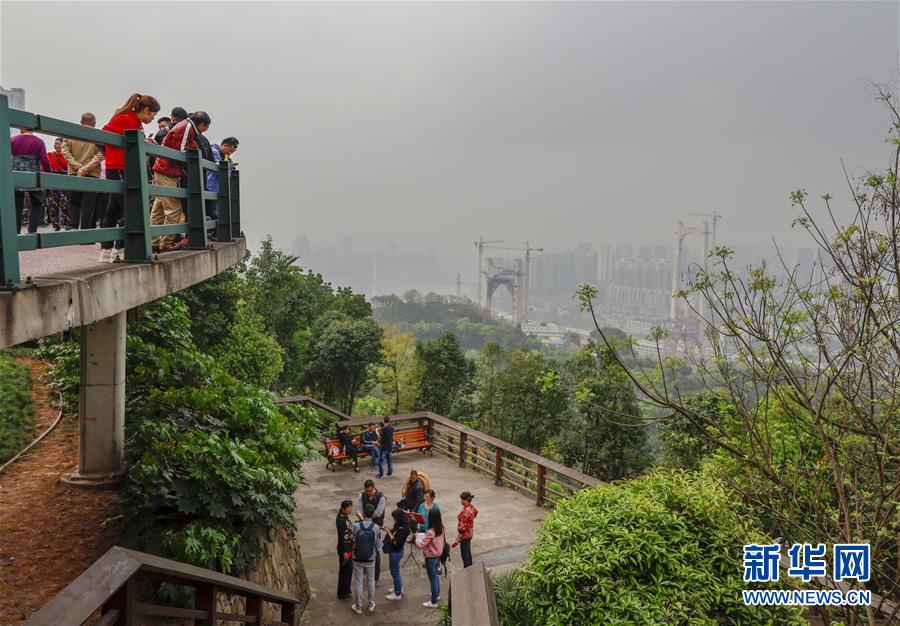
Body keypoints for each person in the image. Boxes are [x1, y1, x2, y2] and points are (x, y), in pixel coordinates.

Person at [99, 93, 160, 262]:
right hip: (119, 168)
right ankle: (119, 249)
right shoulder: (125, 119)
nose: (154, 118)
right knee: (130, 209)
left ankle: (107, 251)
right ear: (147, 110)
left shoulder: (134, 122)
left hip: (124, 168)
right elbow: (102, 136)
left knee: (114, 210)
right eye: (153, 114)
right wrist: (111, 156)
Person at [150, 110, 210, 252]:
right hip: (167, 170)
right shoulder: (188, 126)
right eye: (206, 128)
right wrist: (194, 147)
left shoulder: (185, 126)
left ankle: (153, 242)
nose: (204, 131)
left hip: (162, 169)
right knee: (174, 209)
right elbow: (181, 150)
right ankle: (165, 243)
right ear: (202, 124)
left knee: (158, 208)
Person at [61, 112, 104, 229]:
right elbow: (100, 155)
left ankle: (74, 228)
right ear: (94, 123)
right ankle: (86, 232)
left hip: (73, 172)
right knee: (88, 205)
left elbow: (65, 152)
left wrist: (77, 166)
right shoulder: (98, 135)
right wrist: (86, 168)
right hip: (92, 173)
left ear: (80, 122)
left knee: (74, 203)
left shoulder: (70, 134)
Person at [10, 128, 50, 234]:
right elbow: (45, 159)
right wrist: (48, 173)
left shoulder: (12, 140)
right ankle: (32, 231)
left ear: (20, 129)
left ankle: (16, 232)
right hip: (34, 175)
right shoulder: (39, 141)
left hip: (17, 174)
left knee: (17, 205)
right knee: (37, 203)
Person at [351, 503, 381, 615]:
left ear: (363, 513)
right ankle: (371, 604)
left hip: (357, 558)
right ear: (373, 514)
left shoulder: (357, 526)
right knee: (371, 581)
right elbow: (377, 542)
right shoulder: (376, 527)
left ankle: (358, 606)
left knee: (358, 582)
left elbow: (353, 538)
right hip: (371, 558)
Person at [355, 479, 386, 586]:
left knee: (376, 552)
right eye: (366, 490)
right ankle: (363, 573)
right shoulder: (362, 495)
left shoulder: (381, 497)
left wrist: (366, 516)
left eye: (369, 490)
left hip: (375, 527)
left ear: (374, 487)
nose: (367, 493)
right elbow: (358, 508)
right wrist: (361, 516)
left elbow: (378, 513)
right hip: (363, 525)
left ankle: (376, 577)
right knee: (362, 548)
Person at [415, 507, 446, 608]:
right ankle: (436, 595)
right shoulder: (441, 527)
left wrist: (416, 538)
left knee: (432, 578)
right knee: (435, 577)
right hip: (438, 555)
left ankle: (433, 602)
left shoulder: (430, 532)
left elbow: (420, 544)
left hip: (430, 557)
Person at [382, 508, 410, 601]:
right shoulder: (401, 525)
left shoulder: (402, 530)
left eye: (394, 518)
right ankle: (398, 587)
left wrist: (388, 532)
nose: (393, 519)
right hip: (397, 551)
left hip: (396, 552)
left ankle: (397, 593)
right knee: (395, 571)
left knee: (395, 572)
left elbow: (395, 542)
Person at [45, 138, 70, 230]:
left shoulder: (67, 156)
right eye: (55, 143)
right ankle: (56, 224)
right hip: (53, 182)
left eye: (59, 144)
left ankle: (67, 223)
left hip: (64, 182)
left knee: (65, 204)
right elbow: (44, 168)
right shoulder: (49, 155)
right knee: (53, 205)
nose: (57, 145)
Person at [452, 491, 478, 568]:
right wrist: (470, 522)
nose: (461, 501)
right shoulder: (472, 507)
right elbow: (476, 512)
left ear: (466, 500)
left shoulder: (464, 513)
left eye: (462, 500)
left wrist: (457, 538)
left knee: (464, 555)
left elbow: (462, 529)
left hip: (465, 535)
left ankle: (467, 570)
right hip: (470, 533)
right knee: (468, 551)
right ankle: (471, 567)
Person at [336, 500, 354, 600]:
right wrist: (344, 552)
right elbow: (341, 538)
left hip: (349, 547)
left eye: (351, 507)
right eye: (349, 508)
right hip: (345, 549)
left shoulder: (345, 518)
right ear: (343, 509)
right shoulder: (341, 520)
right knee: (345, 570)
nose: (351, 509)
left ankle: (346, 590)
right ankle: (343, 592)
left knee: (348, 570)